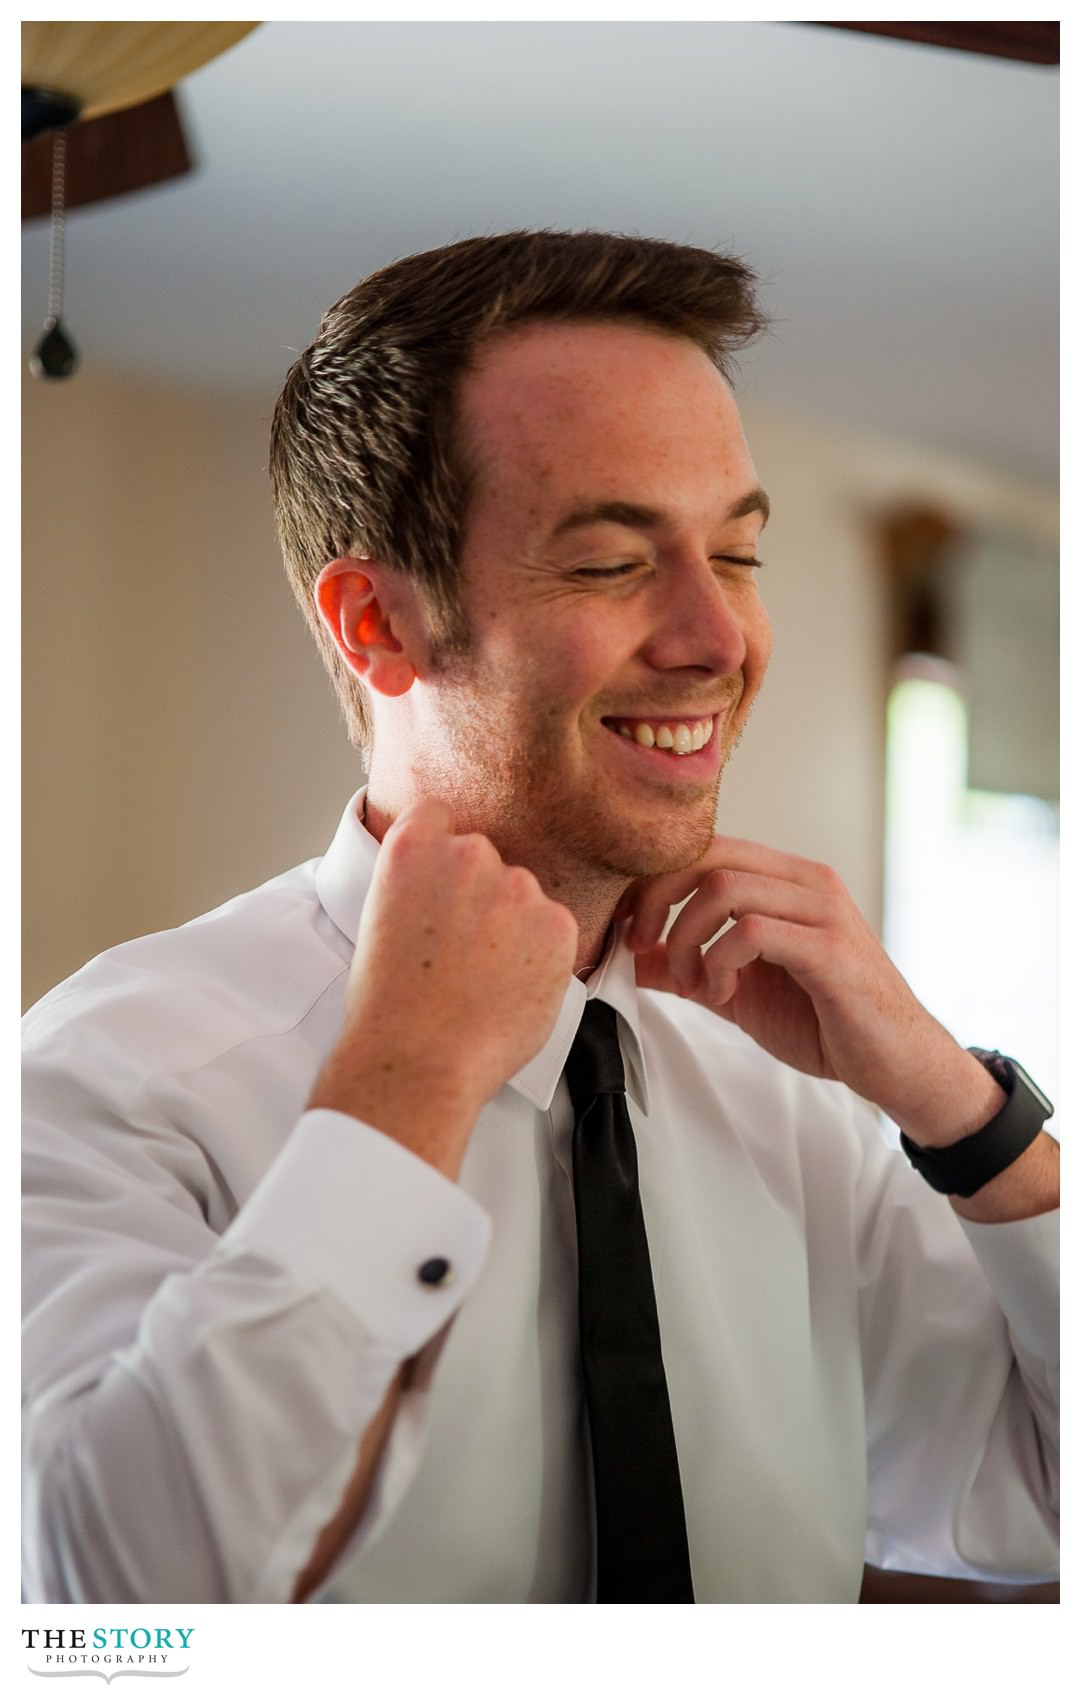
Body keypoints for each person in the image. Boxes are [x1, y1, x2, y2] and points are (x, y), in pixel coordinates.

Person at [22, 230, 1058, 1605]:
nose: (716, 638)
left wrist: (956, 1106)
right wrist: (404, 1089)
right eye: (610, 563)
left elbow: (1036, 1505)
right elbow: (110, 1606)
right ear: (376, 624)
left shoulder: (794, 1089)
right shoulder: (108, 1074)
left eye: (736, 555)